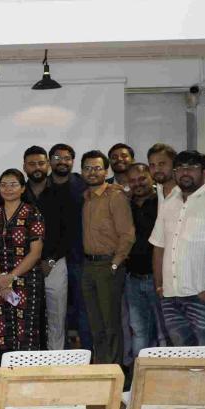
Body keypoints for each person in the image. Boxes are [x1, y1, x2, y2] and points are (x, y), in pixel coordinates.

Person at [150, 150, 205, 347]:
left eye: (192, 168)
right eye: (180, 168)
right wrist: (159, 285)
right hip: (170, 297)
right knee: (180, 355)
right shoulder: (168, 203)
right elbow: (159, 246)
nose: (185, 172)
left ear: (204, 173)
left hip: (201, 297)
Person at [0, 169, 45, 354]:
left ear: (23, 188)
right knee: (0, 332)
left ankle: (26, 371)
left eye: (13, 184)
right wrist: (0, 278)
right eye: (3, 185)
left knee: (26, 333)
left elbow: (35, 253)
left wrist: (11, 277)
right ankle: (3, 369)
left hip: (26, 281)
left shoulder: (32, 213)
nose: (8, 189)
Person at [81, 150, 135, 365]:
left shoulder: (115, 196)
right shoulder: (85, 198)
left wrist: (115, 264)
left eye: (97, 168)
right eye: (87, 168)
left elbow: (127, 234)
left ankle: (114, 371)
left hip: (109, 265)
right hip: (89, 266)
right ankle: (101, 368)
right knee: (95, 324)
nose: (92, 172)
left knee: (111, 324)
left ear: (106, 171)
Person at [22, 146, 74, 350]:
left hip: (55, 264)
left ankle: (56, 360)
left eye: (41, 163)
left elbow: (68, 233)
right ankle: (29, 360)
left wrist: (50, 261)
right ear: (24, 167)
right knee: (27, 317)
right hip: (23, 266)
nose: (37, 167)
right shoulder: (18, 194)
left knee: (56, 317)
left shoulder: (62, 193)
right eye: (32, 164)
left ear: (48, 165)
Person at [50, 142, 92, 352]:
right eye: (57, 158)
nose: (62, 162)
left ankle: (86, 354)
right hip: (52, 259)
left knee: (83, 309)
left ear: (72, 161)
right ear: (50, 161)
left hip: (80, 256)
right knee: (55, 311)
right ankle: (60, 353)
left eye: (67, 158)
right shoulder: (43, 187)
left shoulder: (83, 185)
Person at [125, 163, 166, 356]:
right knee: (138, 330)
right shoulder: (125, 205)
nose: (137, 184)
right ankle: (139, 372)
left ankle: (164, 372)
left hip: (158, 279)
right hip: (132, 278)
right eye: (132, 181)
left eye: (142, 179)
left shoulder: (163, 202)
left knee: (163, 332)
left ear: (151, 177)